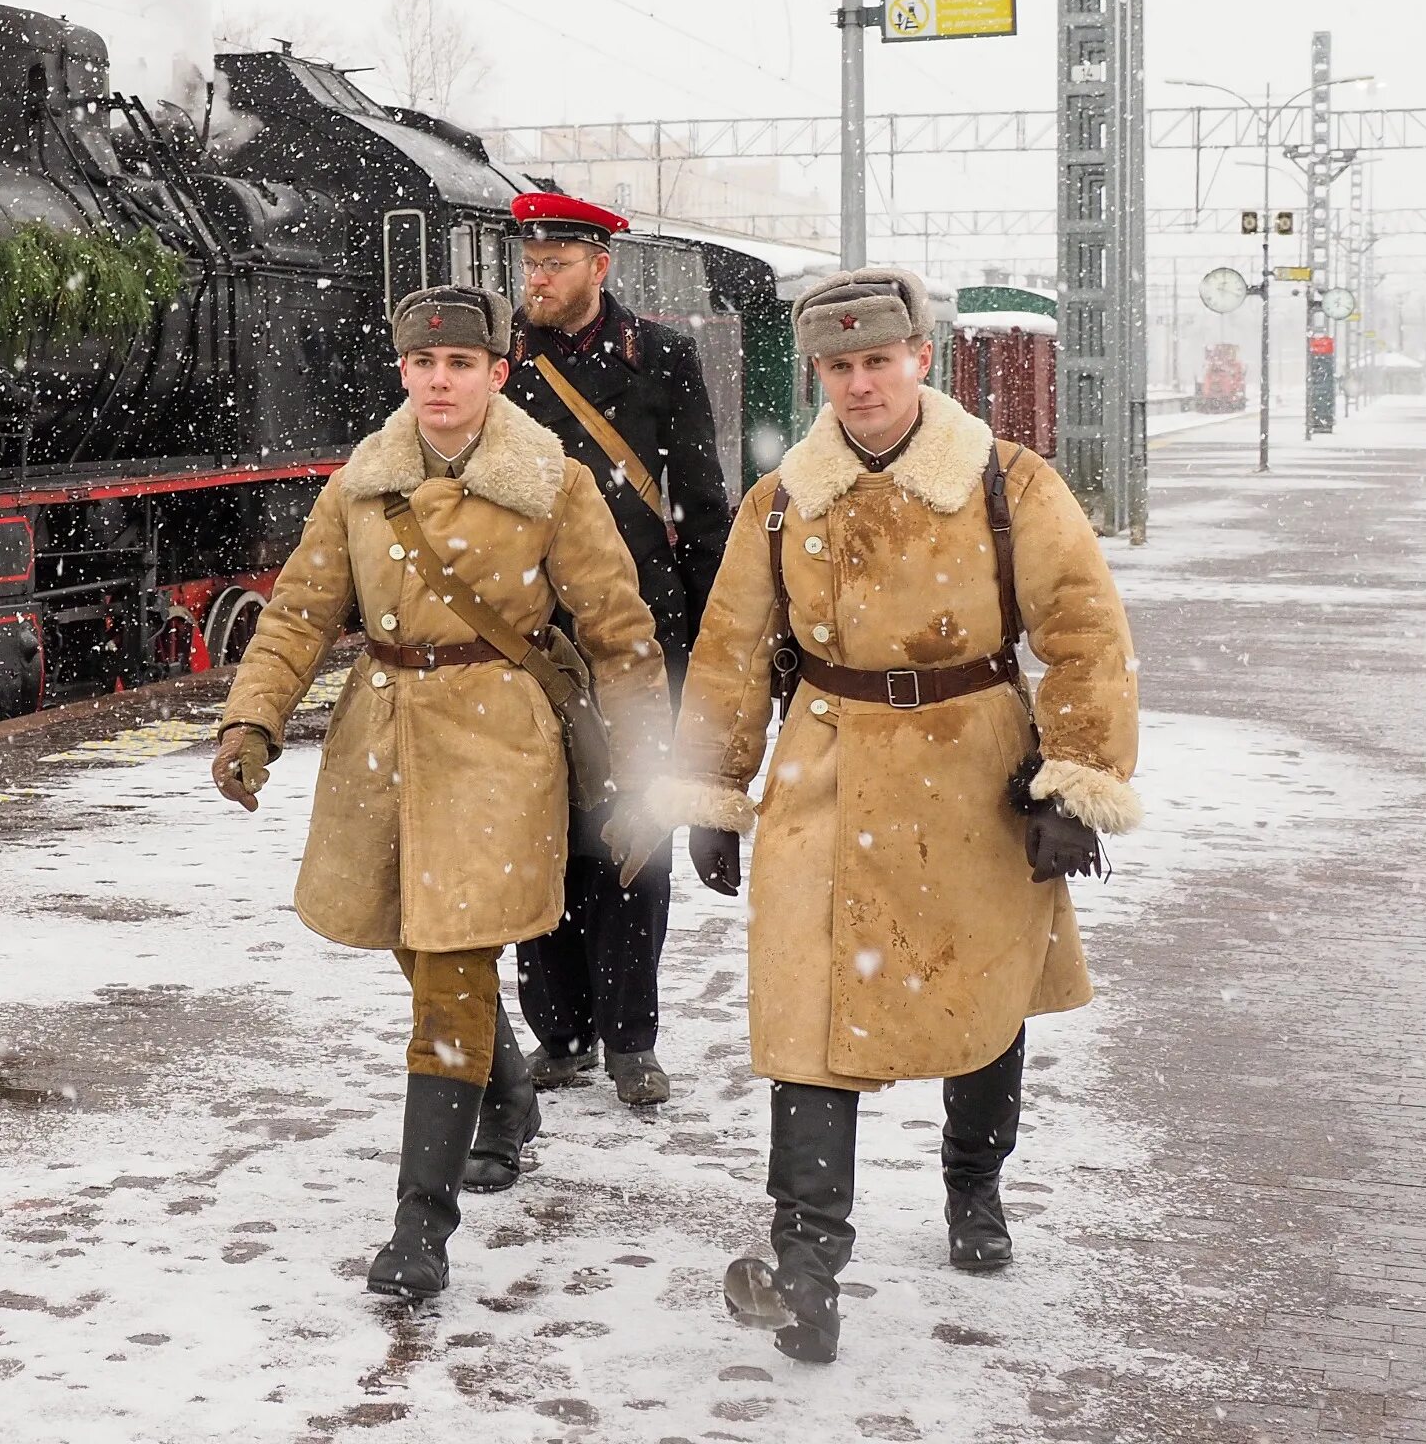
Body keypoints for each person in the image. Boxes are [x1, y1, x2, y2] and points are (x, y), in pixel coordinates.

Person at [613, 267, 1140, 1364]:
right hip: (828, 767)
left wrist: (1074, 784)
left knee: (982, 991)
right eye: (838, 366)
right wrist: (715, 791)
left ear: (920, 360)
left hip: (974, 764)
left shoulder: (1012, 483)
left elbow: (1084, 630)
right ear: (820, 373)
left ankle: (973, 1184)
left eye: (876, 361)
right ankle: (806, 1265)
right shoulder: (782, 502)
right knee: (807, 1004)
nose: (859, 384)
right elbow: (729, 655)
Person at [210, 284, 668, 1303]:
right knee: (421, 946)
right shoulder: (362, 483)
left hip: (500, 742)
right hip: (382, 738)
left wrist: (644, 773)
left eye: (462, 363)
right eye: (424, 364)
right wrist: (253, 719)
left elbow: (620, 631)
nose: (440, 380)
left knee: (454, 961)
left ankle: (421, 1227)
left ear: (498, 372)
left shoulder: (551, 481)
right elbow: (296, 613)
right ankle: (504, 1103)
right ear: (404, 370)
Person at [502, 191, 738, 1107]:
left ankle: (632, 1038)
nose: (538, 280)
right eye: (529, 265)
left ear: (601, 267)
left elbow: (703, 496)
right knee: (542, 828)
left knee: (636, 826)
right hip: (535, 634)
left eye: (555, 265)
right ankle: (558, 1035)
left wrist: (721, 631)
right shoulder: (507, 365)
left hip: (646, 631)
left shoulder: (663, 358)